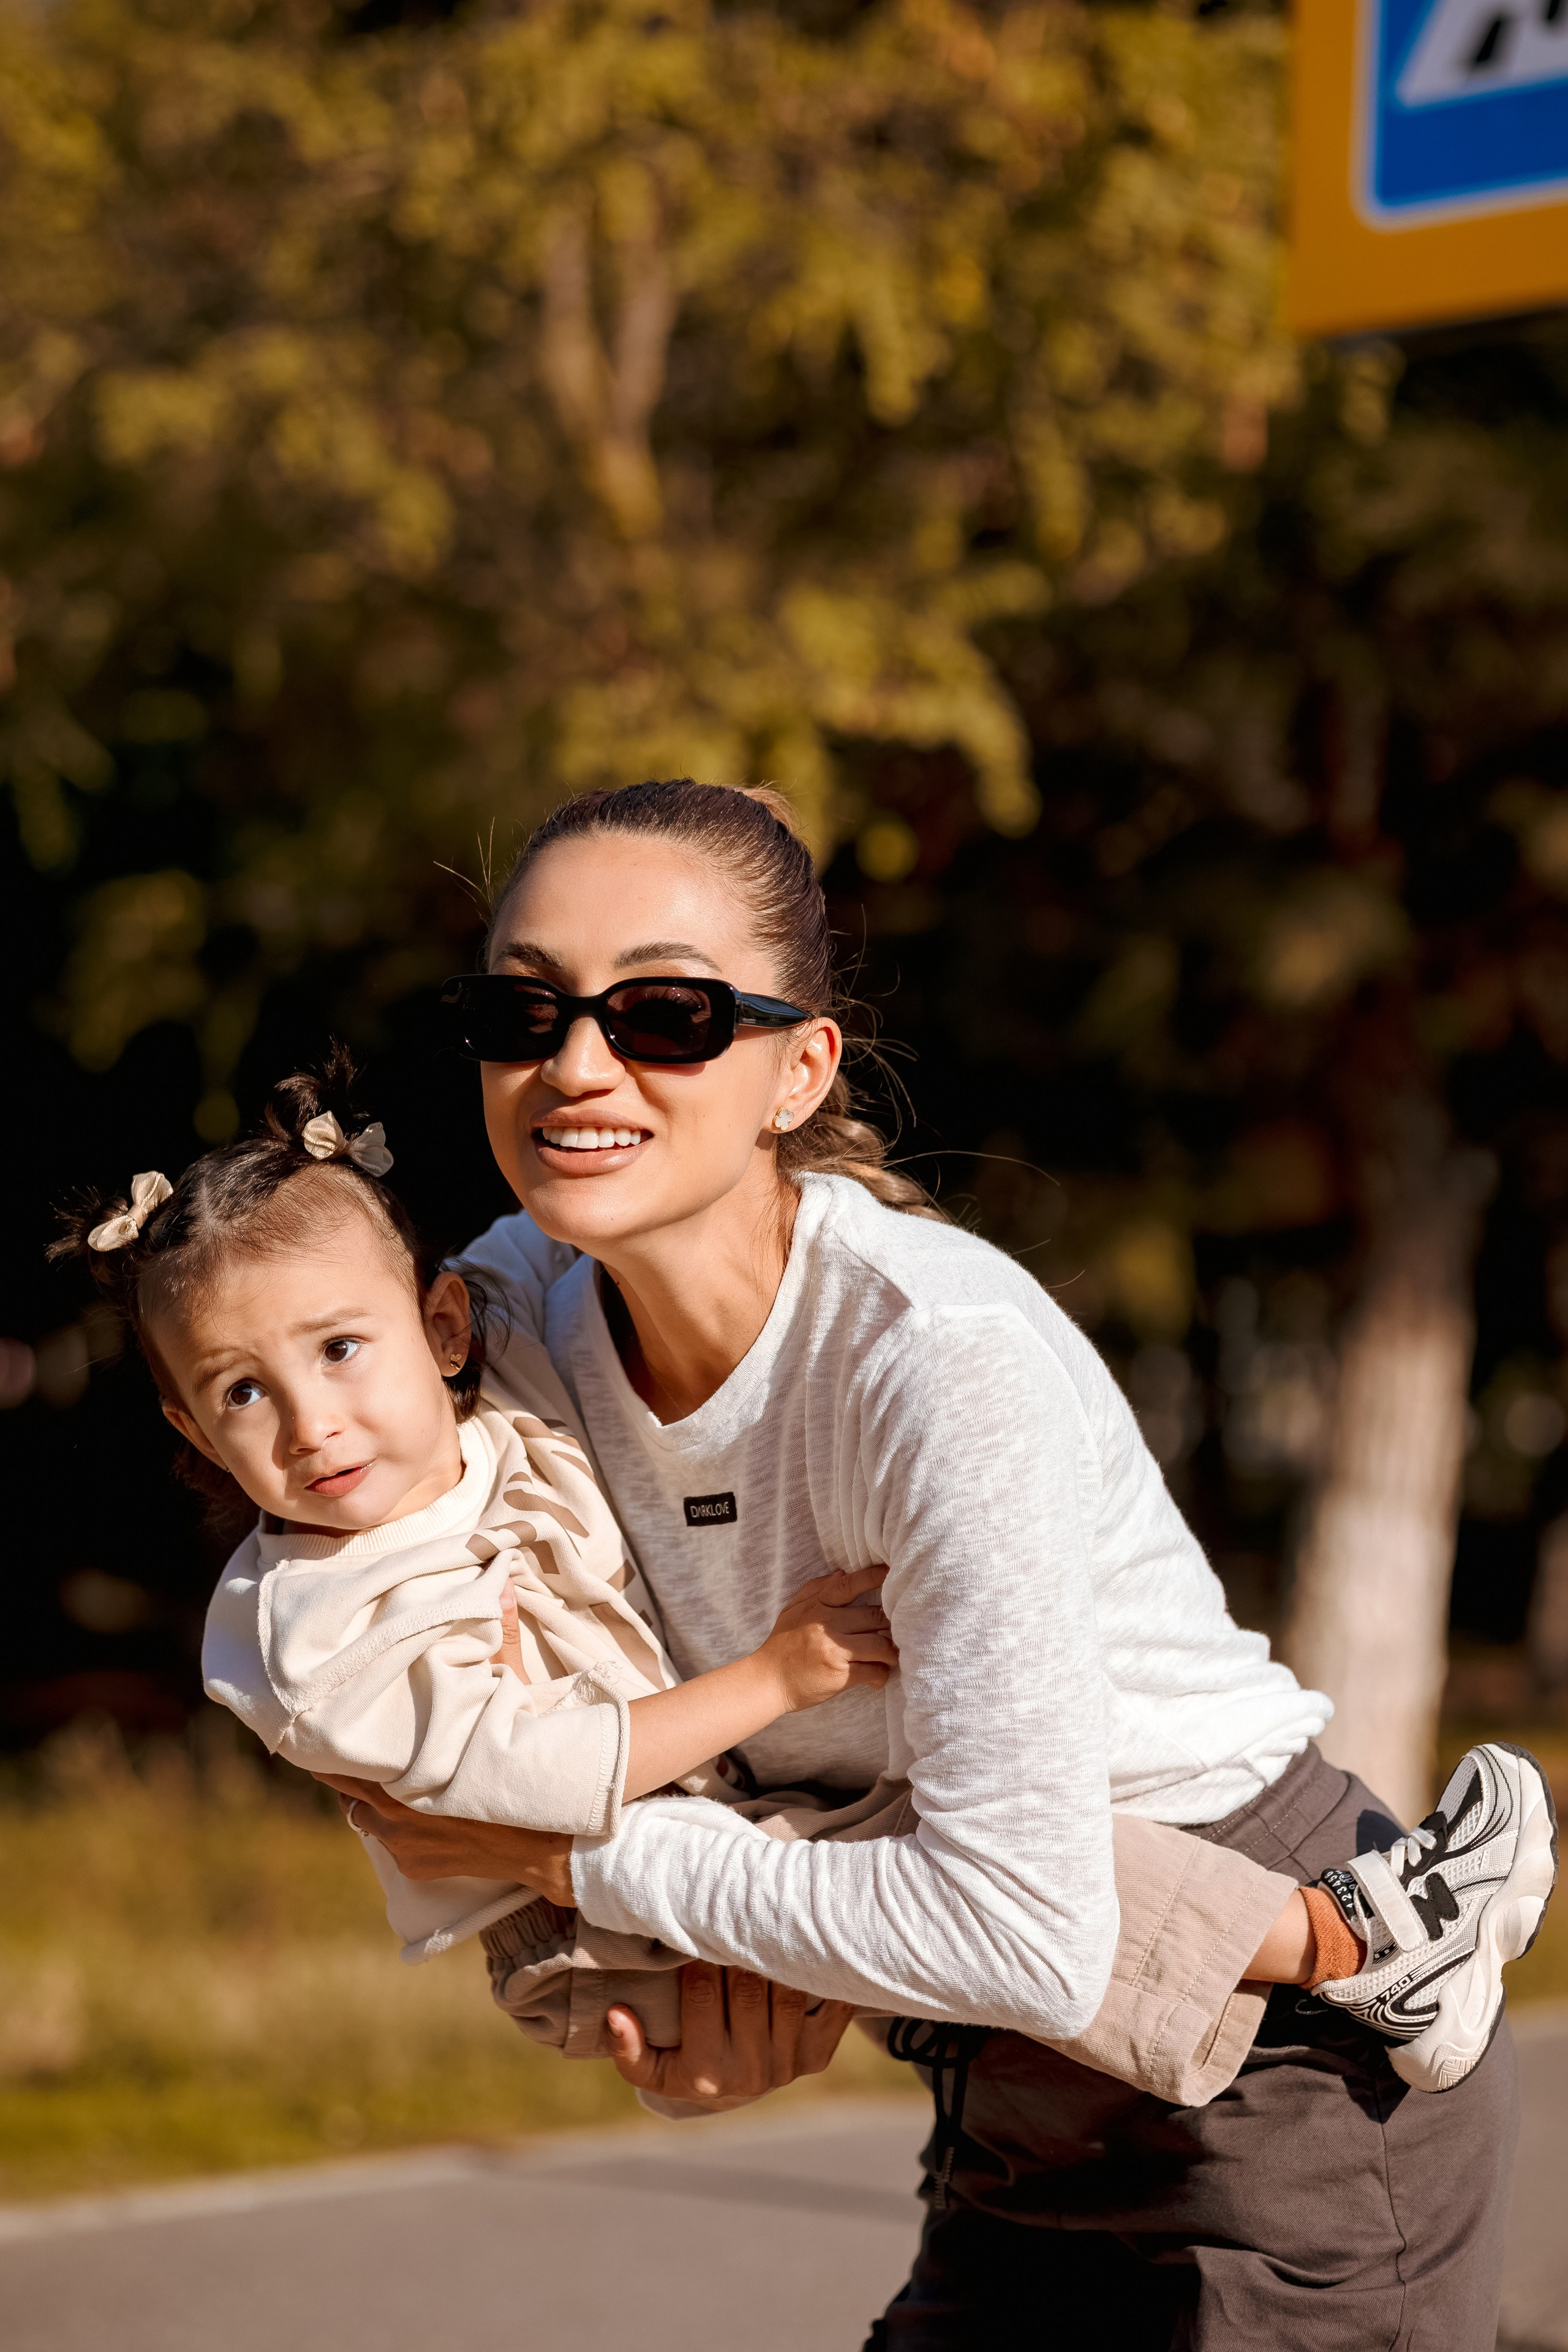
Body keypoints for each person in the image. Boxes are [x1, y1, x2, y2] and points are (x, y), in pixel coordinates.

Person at [293, 778, 1546, 2347]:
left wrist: (572, 1858)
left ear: (797, 1071)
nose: (575, 1065)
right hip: (1001, 2084)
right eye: (520, 1010)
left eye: (666, 1014)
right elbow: (330, 1600)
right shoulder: (492, 1322)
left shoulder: (930, 1360)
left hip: (1292, 2055)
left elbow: (1020, 1929)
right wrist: (694, 1984)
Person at [52, 1051, 1551, 2119]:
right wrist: (771, 1680)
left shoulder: (478, 1385)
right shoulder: (315, 1617)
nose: (313, 1421)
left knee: (971, 1856)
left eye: (339, 1351)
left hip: (662, 1840)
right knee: (959, 1861)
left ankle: (1367, 1958)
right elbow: (533, 1778)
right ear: (188, 1431)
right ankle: (1361, 1943)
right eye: (240, 1392)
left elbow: (511, 1257)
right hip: (589, 1920)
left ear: (439, 1326)